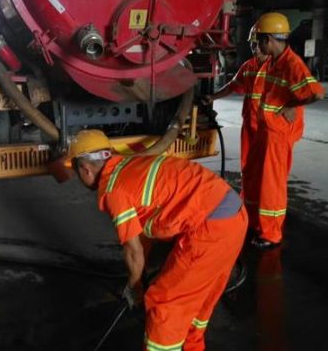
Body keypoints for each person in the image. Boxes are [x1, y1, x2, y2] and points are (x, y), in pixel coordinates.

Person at [67, 130, 247, 351]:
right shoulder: (131, 167)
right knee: (196, 300)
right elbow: (142, 236)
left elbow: (133, 251)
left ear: (85, 169)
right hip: (233, 216)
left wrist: (134, 287)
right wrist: (139, 277)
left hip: (210, 229)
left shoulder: (115, 190)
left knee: (166, 302)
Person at [243, 12, 324, 249]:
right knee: (255, 177)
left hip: (278, 135)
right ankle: (255, 222)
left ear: (269, 39)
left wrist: (292, 105)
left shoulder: (292, 64)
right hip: (266, 131)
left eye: (258, 40)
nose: (256, 46)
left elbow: (316, 93)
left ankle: (271, 234)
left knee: (272, 185)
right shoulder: (272, 62)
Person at [204, 34, 269, 174]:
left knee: (265, 167)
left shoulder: (277, 67)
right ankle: (247, 194)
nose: (255, 48)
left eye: (258, 44)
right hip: (249, 123)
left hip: (268, 126)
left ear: (267, 42)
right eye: (252, 44)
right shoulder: (248, 66)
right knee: (247, 164)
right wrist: (212, 97)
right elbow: (232, 86)